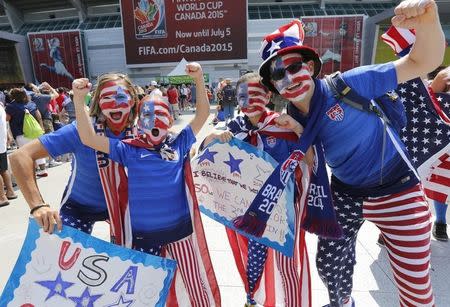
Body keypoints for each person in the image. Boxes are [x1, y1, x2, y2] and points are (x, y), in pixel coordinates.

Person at [257, 1, 445, 305]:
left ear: (308, 65)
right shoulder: (293, 113)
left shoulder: (350, 83)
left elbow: (421, 62)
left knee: (415, 287)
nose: (288, 78)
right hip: (344, 195)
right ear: (274, 87)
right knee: (329, 266)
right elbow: (311, 160)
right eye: (279, 75)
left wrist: (428, 22)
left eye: (293, 67)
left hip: (398, 190)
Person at [72, 62, 221, 306]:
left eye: (160, 113)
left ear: (171, 118)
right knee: (145, 290)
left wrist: (199, 79)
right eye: (147, 114)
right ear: (139, 121)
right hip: (143, 237)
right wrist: (79, 100)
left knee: (195, 284)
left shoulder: (179, 142)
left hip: (180, 233)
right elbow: (88, 138)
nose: (153, 119)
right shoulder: (128, 148)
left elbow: (202, 115)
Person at [203, 72, 313, 306]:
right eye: (243, 96)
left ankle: (292, 301)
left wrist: (295, 126)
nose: (248, 101)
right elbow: (200, 156)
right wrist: (211, 137)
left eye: (256, 94)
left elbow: (311, 158)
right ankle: (252, 299)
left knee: (286, 263)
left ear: (269, 95)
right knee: (254, 261)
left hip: (283, 210)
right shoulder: (234, 128)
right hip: (253, 211)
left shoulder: (281, 124)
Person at [6, 88, 48, 178]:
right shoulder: (31, 103)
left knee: (26, 153)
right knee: (38, 150)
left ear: (12, 96)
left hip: (21, 133)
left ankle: (33, 171)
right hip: (35, 131)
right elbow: (39, 116)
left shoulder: (10, 107)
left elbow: (7, 119)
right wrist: (41, 127)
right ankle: (43, 169)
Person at [0, 99, 17, 207]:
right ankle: (10, 191)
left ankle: (2, 197)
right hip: (1, 142)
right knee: (3, 169)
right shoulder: (1, 107)